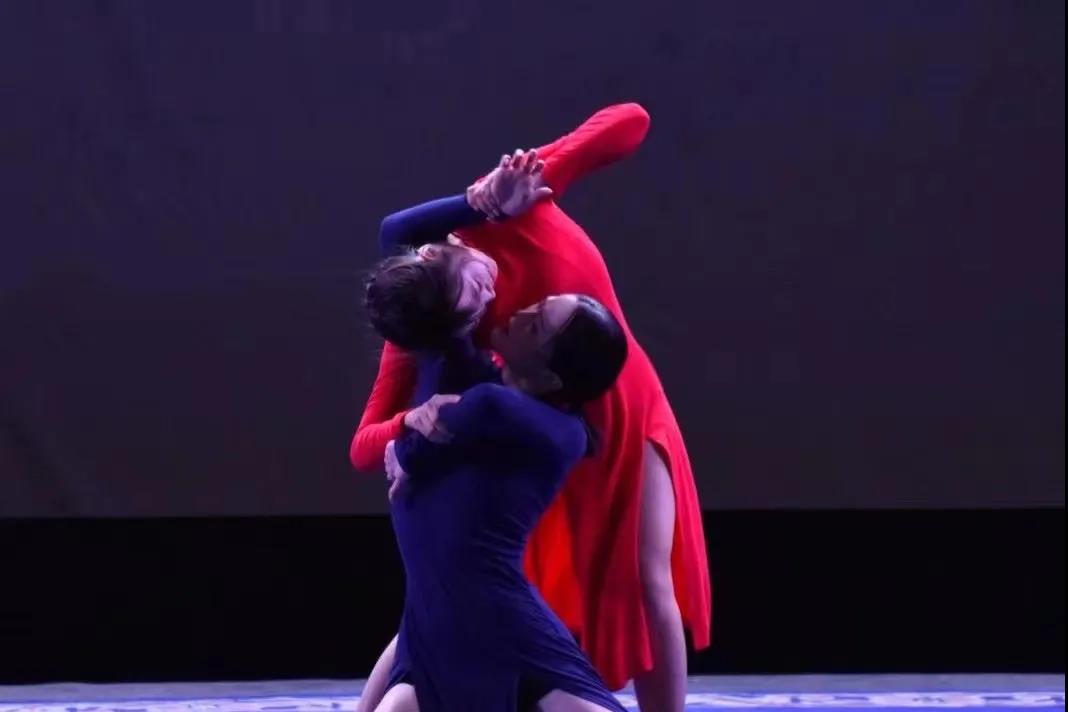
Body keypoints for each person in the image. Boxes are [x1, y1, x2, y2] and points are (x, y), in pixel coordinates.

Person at [353, 104, 710, 712]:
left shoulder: (513, 196)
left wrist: (487, 198)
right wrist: (409, 426)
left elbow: (631, 121)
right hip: (529, 419)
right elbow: (369, 442)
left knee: (646, 574)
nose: (491, 289)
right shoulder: (428, 320)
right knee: (462, 577)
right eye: (476, 298)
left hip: (622, 400)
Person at [374, 293, 629, 712]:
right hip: (432, 625)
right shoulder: (473, 384)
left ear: (550, 378)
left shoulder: (558, 431)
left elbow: (488, 406)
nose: (521, 313)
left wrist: (407, 447)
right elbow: (402, 253)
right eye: (537, 306)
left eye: (537, 325)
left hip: (507, 631)